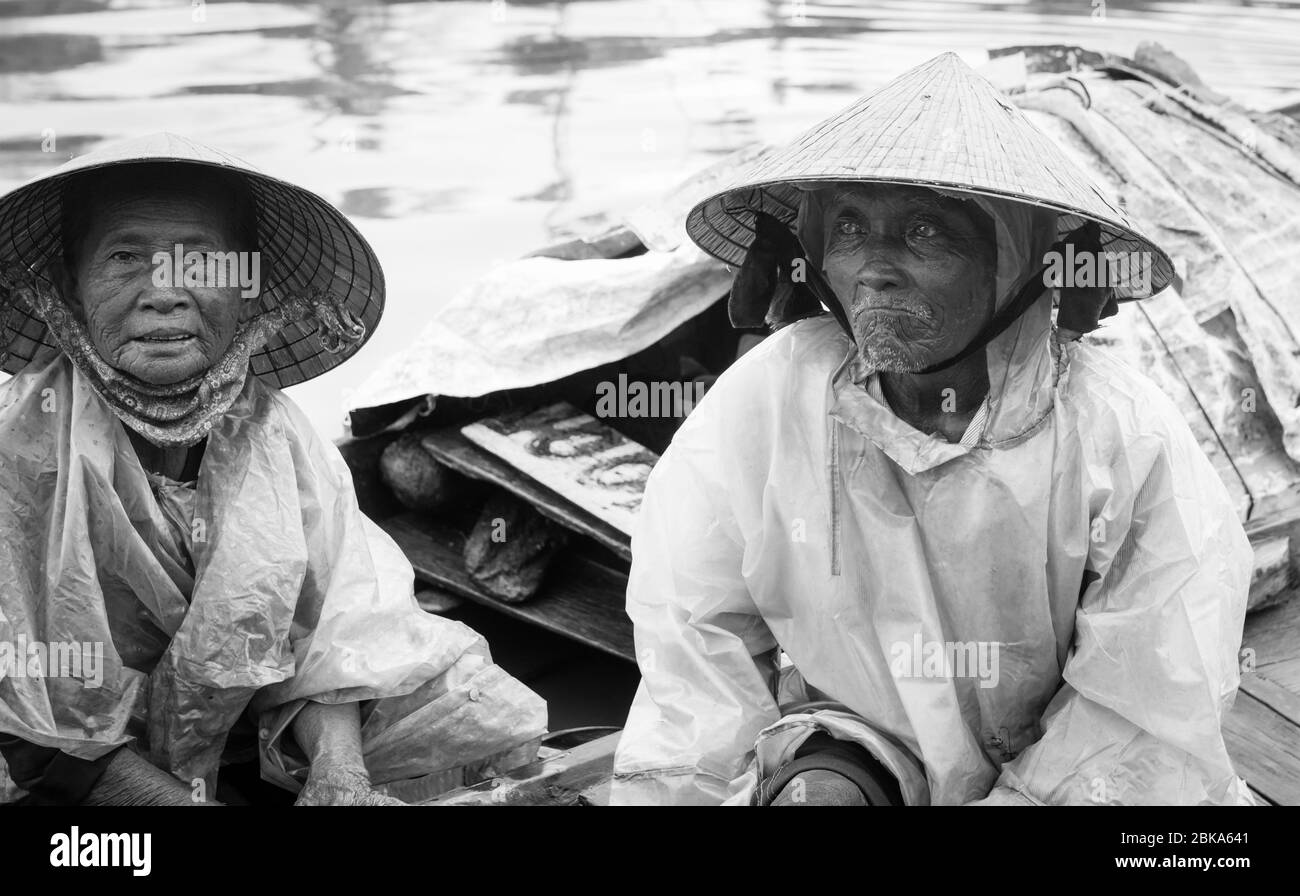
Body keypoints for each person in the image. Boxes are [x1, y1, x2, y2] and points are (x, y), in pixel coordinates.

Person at [610, 53, 1255, 805]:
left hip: (1069, 772)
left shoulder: (1119, 433)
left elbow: (1146, 704)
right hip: (864, 745)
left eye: (926, 233)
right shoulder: (775, 392)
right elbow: (694, 631)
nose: (874, 270)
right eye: (848, 228)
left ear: (1016, 264)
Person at [0, 133, 546, 806]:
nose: (164, 292)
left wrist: (338, 772)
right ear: (69, 289)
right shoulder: (22, 444)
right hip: (61, 778)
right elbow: (33, 733)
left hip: (222, 743)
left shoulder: (275, 434)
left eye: (199, 262)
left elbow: (333, 639)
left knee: (470, 716)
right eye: (124, 258)